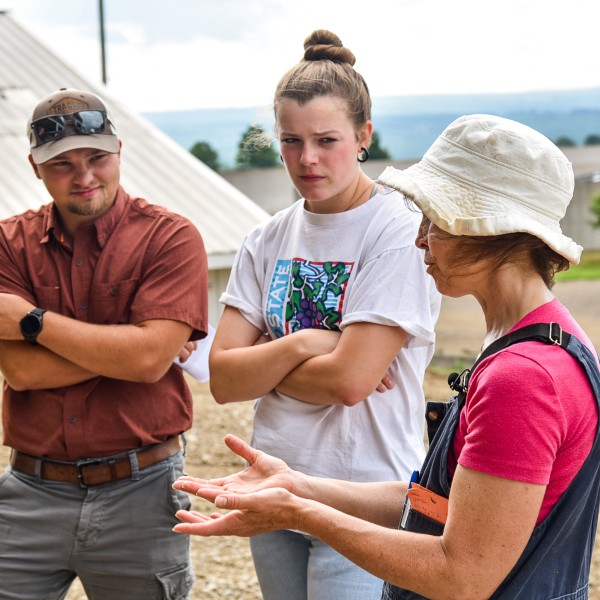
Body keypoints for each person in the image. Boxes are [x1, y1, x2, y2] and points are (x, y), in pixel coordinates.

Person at [172, 114, 600, 600]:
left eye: (434, 221)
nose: (419, 238)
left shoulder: (523, 379)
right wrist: (299, 486)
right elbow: (441, 506)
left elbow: (461, 575)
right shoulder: (541, 339)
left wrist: (301, 514)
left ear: (488, 230)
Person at [205, 29, 440, 600]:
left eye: (326, 139)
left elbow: (350, 381)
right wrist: (308, 341)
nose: (307, 159)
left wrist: (269, 358)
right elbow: (223, 379)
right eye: (291, 141)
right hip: (271, 484)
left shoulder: (399, 228)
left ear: (364, 135)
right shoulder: (266, 238)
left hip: (363, 497)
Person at [0, 88, 209, 599]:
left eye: (96, 157)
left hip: (143, 490)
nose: (84, 176)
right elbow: (21, 372)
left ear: (118, 149)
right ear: (35, 166)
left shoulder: (171, 238)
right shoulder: (8, 244)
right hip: (30, 490)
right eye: (62, 164)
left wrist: (31, 323)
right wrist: (135, 345)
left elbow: (145, 360)